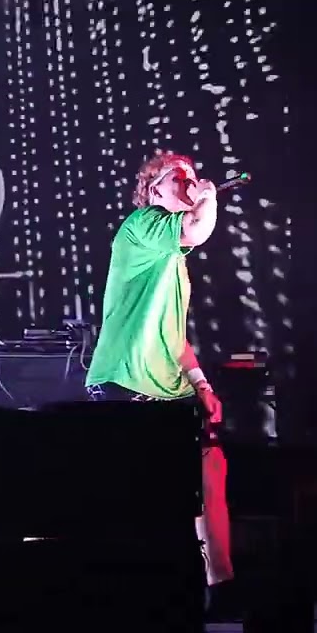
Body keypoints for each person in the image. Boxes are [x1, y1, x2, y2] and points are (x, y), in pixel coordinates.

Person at [85, 150, 234, 603]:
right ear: (153, 190)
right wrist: (208, 198)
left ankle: (220, 584)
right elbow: (197, 228)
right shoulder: (143, 224)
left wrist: (201, 383)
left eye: (193, 177)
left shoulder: (171, 260)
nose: (189, 183)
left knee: (209, 474)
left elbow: (173, 332)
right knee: (138, 495)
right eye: (178, 178)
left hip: (165, 386)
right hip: (125, 381)